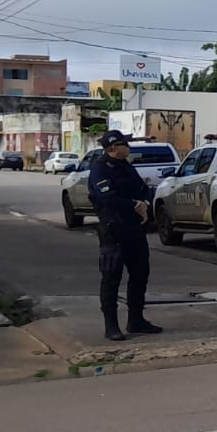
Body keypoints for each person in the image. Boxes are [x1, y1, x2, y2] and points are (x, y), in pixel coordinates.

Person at [88, 130, 161, 341]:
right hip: (114, 230)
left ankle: (136, 320)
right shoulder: (100, 169)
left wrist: (144, 203)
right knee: (111, 278)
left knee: (140, 274)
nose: (128, 147)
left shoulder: (126, 166)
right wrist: (133, 205)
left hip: (135, 229)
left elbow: (144, 189)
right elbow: (107, 198)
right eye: (124, 144)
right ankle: (111, 326)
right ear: (112, 147)